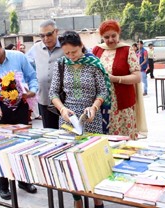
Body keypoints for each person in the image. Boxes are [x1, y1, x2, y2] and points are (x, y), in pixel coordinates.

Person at [49, 31, 109, 208]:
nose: (70, 56)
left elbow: (103, 91)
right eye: (66, 53)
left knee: (92, 160)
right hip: (68, 119)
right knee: (70, 161)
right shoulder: (61, 64)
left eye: (73, 52)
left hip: (91, 118)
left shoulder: (94, 64)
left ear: (81, 46)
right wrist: (62, 109)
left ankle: (97, 199)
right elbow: (53, 92)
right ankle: (77, 200)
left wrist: (94, 107)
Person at [0, 34, 38, 200]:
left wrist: (31, 91)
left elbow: (32, 77)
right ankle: (3, 185)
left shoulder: (18, 57)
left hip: (21, 105)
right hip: (1, 108)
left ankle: (23, 181)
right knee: (0, 148)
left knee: (23, 145)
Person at [93, 19, 147, 140]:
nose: (110, 40)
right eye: (106, 37)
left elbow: (137, 77)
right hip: (102, 105)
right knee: (104, 140)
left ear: (119, 34)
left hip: (122, 106)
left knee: (124, 141)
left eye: (113, 36)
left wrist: (114, 79)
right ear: (101, 37)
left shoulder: (127, 50)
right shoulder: (97, 50)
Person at [26, 19, 64, 129]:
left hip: (65, 99)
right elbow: (26, 66)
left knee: (68, 132)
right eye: (42, 36)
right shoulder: (35, 48)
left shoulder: (66, 46)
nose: (46, 39)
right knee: (50, 131)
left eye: (49, 34)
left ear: (56, 31)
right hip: (44, 99)